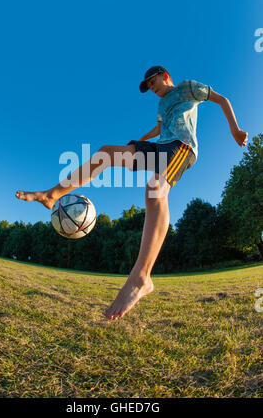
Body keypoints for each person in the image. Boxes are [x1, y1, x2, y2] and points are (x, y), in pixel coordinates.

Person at [15, 65, 248, 321]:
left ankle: (141, 279)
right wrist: (135, 144)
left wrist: (234, 130)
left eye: (153, 81)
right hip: (161, 145)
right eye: (148, 86)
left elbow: (221, 99)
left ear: (165, 76)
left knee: (155, 191)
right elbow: (159, 130)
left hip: (182, 147)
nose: (152, 88)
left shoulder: (187, 87)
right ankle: (51, 195)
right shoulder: (161, 107)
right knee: (107, 153)